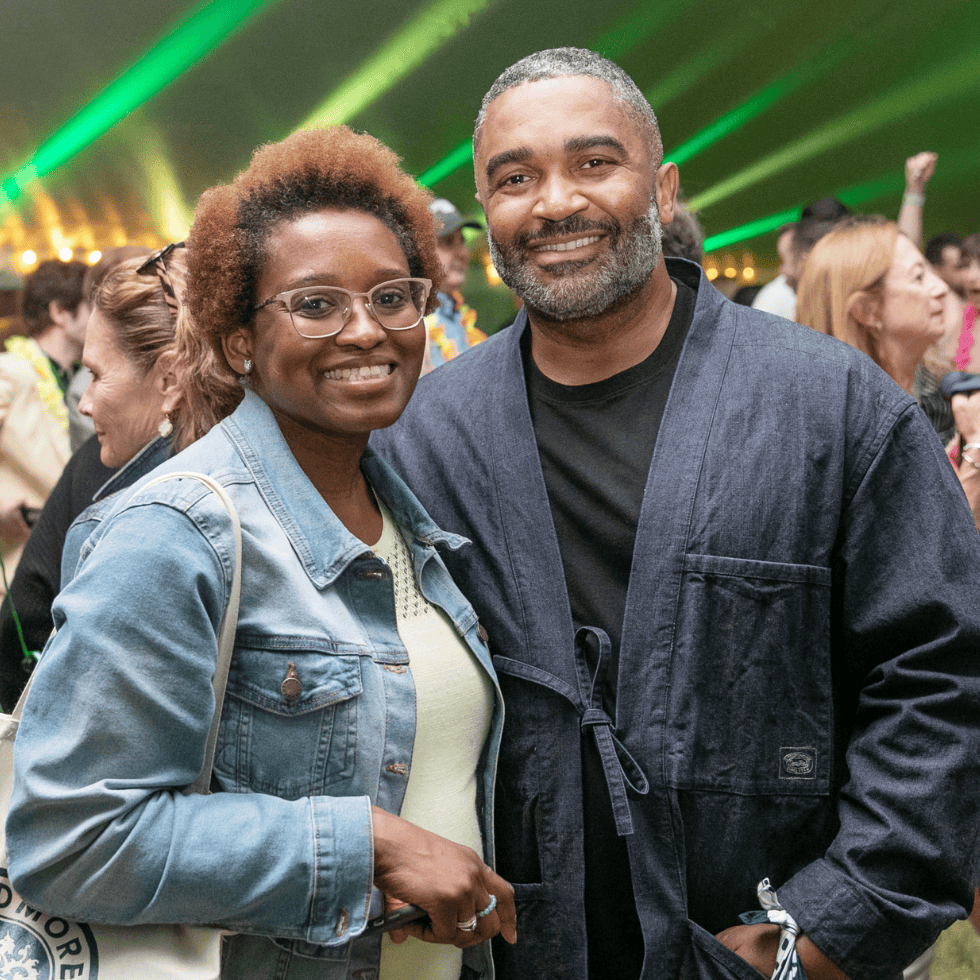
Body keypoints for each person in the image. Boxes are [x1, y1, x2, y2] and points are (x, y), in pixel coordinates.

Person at [373, 47, 980, 980]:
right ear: (487, 210)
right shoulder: (423, 435)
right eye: (515, 178)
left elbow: (941, 679)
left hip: (754, 942)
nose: (555, 202)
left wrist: (825, 930)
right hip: (515, 955)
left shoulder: (832, 408)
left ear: (662, 189)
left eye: (593, 162)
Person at [8, 125, 515, 980]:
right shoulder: (177, 530)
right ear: (239, 339)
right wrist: (369, 846)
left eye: (393, 296)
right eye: (316, 305)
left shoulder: (407, 514)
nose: (367, 330)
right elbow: (70, 838)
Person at [0, 244, 239, 711]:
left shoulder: (122, 503)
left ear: (169, 380)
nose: (85, 403)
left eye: (96, 375)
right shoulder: (275, 467)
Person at [0, 259, 88, 591]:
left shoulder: (83, 379)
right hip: (12, 571)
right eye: (91, 306)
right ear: (60, 312)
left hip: (60, 570)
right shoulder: (11, 370)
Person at [422, 198, 487, 373]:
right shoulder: (412, 324)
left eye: (462, 241)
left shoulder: (461, 315)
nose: (463, 253)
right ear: (419, 254)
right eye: (449, 242)